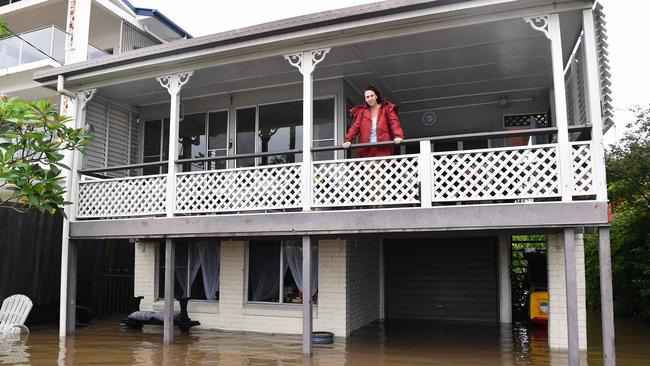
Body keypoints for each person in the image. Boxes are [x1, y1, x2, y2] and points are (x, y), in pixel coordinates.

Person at [342, 85, 404, 157]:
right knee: (369, 168)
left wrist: (398, 136)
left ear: (376, 96)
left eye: (372, 96)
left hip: (383, 149)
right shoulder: (362, 112)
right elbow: (355, 128)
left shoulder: (387, 108)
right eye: (367, 97)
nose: (370, 98)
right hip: (366, 150)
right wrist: (347, 140)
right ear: (365, 99)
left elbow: (394, 123)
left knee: (381, 168)